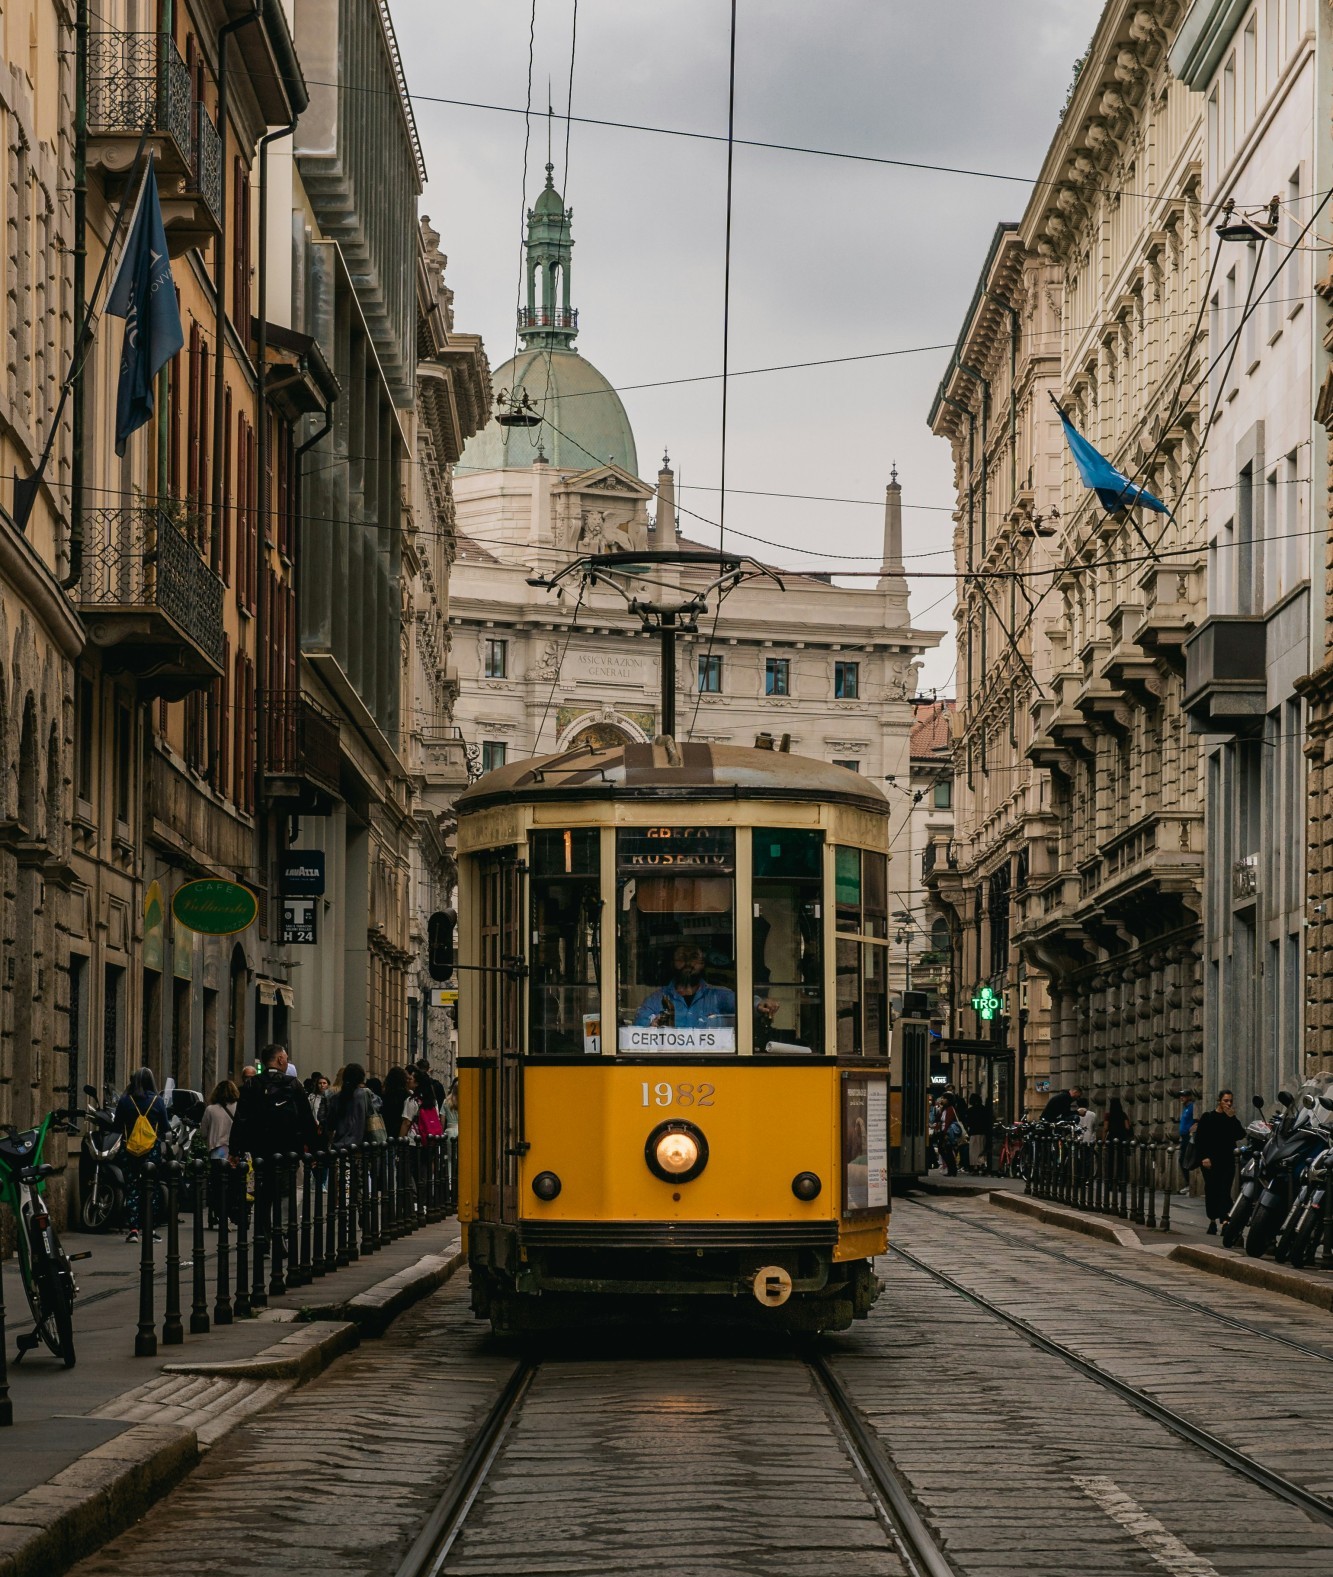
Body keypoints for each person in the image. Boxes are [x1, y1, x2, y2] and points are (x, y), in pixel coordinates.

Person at [634, 943, 777, 1029]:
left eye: (694, 958)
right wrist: (651, 1027)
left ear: (703, 963)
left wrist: (760, 1004)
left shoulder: (718, 996)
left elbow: (744, 1003)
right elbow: (639, 1028)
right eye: (682, 957)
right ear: (672, 963)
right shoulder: (656, 999)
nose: (688, 963)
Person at [115, 1067, 170, 1243]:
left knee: (131, 1188)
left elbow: (116, 1126)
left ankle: (133, 1229)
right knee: (151, 1188)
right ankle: (149, 1228)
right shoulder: (158, 1101)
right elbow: (165, 1127)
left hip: (129, 1150)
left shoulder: (125, 1101)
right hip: (151, 1151)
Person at [1194, 1090, 1245, 1234]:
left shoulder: (1231, 1118)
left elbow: (1241, 1134)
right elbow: (1200, 1139)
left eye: (1230, 1101)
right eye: (1226, 1101)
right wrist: (1204, 1157)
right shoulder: (1208, 1117)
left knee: (1224, 1190)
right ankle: (1212, 1220)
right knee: (1212, 1189)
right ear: (1219, 1101)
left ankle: (1225, 1221)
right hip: (1210, 1161)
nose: (1228, 1104)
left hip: (1227, 1160)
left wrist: (1232, 1118)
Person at [328, 1062, 372, 1148]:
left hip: (339, 1145)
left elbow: (330, 1124)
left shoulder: (336, 1098)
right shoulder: (365, 1094)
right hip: (361, 1146)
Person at [932, 1093, 961, 1177]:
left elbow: (948, 1122)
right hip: (943, 1132)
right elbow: (938, 1119)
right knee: (944, 1150)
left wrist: (945, 1133)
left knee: (946, 1151)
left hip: (947, 1133)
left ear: (948, 1100)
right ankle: (951, 1169)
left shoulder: (950, 1109)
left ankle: (952, 1170)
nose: (942, 1100)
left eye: (943, 1098)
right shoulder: (944, 1109)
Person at [965, 1093, 991, 1174]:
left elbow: (968, 1122)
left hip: (973, 1132)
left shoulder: (970, 1111)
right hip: (983, 1132)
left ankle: (975, 1167)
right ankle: (981, 1165)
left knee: (973, 1151)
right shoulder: (984, 1109)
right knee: (981, 1149)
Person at [1177, 1092, 1197, 1195]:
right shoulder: (1185, 1108)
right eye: (1180, 1096)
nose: (1181, 1097)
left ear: (1189, 1097)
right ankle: (1188, 1184)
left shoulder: (1192, 1107)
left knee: (1185, 1160)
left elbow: (1197, 1120)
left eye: (1183, 1096)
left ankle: (1190, 1185)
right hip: (1184, 1138)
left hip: (1189, 1138)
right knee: (1182, 1160)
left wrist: (1193, 1129)